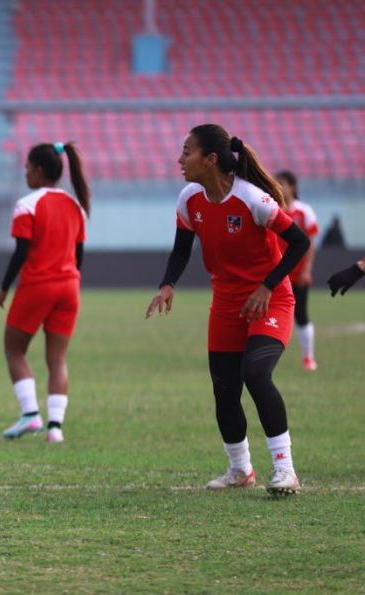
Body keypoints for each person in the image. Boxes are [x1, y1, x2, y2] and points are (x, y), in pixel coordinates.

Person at [145, 125, 309, 495]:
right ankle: (240, 470)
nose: (180, 160)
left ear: (210, 159)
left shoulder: (252, 199)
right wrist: (167, 284)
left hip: (270, 299)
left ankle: (285, 470)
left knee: (256, 373)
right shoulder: (189, 199)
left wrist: (267, 286)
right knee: (224, 389)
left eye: (186, 151)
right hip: (226, 303)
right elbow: (182, 248)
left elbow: (299, 242)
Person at [0, 142, 89, 444]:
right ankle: (55, 429)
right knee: (57, 360)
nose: (25, 172)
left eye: (27, 167)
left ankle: (30, 414)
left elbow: (21, 252)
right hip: (70, 287)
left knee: (14, 350)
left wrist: (4, 287)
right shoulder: (75, 206)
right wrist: (69, 280)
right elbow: (78, 255)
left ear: (38, 170)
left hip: (39, 285)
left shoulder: (28, 204)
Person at [275, 171, 319, 370]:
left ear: (292, 187)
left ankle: (308, 357)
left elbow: (311, 242)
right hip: (276, 274)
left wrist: (307, 269)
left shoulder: (303, 211)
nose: (278, 187)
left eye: (281, 183)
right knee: (270, 315)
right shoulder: (272, 209)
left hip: (298, 273)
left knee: (301, 315)